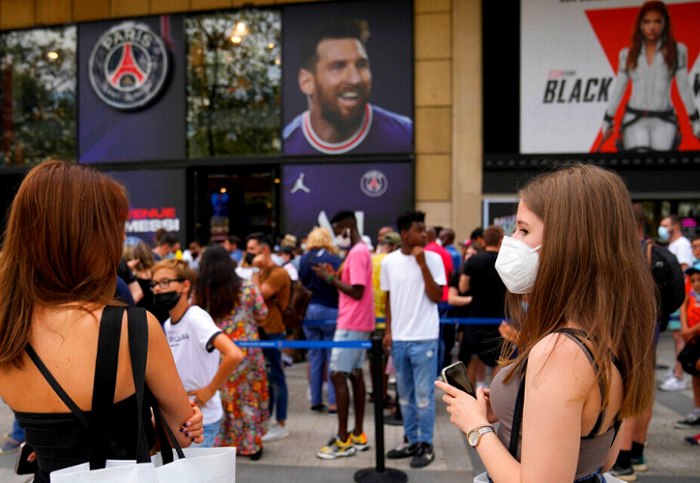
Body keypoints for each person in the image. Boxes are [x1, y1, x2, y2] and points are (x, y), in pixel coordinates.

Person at [435, 164, 657, 483]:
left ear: (569, 243)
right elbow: (600, 459)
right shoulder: (613, 332)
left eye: (524, 230)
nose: (512, 241)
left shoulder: (561, 351)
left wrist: (476, 426)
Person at [0, 161, 204, 483]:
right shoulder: (132, 328)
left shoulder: (8, 327)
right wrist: (175, 423)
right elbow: (180, 434)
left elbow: (50, 434)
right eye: (115, 225)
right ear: (86, 236)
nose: (122, 237)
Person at [283, 18, 412, 155]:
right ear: (306, 82)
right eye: (338, 67)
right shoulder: (287, 144)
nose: (355, 79)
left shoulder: (406, 136)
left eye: (361, 65)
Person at [154, 258, 243, 448]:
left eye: (164, 282)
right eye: (154, 284)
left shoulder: (195, 317)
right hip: (183, 417)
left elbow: (234, 354)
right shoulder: (169, 324)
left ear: (185, 285)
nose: (157, 289)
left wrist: (209, 390)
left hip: (203, 420)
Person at [381, 211, 446, 468]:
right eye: (419, 229)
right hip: (399, 339)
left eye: (425, 228)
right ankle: (410, 441)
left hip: (424, 338)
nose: (425, 233)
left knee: (423, 397)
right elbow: (387, 298)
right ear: (404, 233)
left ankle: (426, 445)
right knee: (404, 396)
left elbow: (437, 296)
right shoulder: (389, 261)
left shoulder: (433, 259)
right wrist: (388, 331)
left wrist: (422, 265)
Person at [196, 246, 271, 460]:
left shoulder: (201, 293)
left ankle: (225, 444)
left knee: (222, 396)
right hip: (247, 352)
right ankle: (251, 444)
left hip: (217, 351)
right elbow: (263, 314)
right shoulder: (247, 288)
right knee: (249, 397)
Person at [312, 211, 375, 459]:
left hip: (351, 322)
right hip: (359, 322)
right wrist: (335, 276)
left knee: (338, 374)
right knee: (355, 375)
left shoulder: (358, 252)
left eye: (338, 231)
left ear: (348, 227)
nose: (337, 236)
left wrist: (330, 278)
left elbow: (357, 291)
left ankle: (342, 440)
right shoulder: (359, 251)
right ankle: (357, 434)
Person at [602, 1, 700, 151]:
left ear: (665, 24)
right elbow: (619, 89)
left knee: (660, 168)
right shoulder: (627, 54)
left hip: (664, 120)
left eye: (657, 21)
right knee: (638, 165)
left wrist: (694, 119)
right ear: (640, 25)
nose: (652, 27)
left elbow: (684, 87)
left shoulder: (678, 51)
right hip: (634, 119)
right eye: (647, 22)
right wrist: (608, 119)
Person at [250, 234, 291, 442]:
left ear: (264, 251)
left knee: (277, 376)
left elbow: (257, 295)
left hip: (273, 329)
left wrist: (255, 272)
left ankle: (281, 422)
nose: (250, 255)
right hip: (262, 329)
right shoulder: (266, 271)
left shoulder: (278, 273)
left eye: (253, 251)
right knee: (267, 377)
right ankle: (269, 419)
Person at [299, 227, 343, 413]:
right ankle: (334, 402)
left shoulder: (304, 258)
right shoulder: (334, 259)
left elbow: (301, 281)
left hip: (310, 309)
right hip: (332, 309)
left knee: (315, 356)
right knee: (333, 357)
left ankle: (315, 400)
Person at [458, 226, 507, 387]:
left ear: (484, 240)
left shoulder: (474, 260)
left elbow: (463, 287)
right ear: (501, 241)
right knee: (499, 360)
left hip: (476, 316)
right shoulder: (506, 260)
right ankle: (494, 406)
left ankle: (470, 399)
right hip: (500, 317)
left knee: (472, 357)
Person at [659, 214, 693, 392]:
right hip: (675, 298)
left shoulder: (682, 245)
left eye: (665, 225)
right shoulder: (674, 244)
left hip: (680, 299)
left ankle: (679, 375)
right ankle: (676, 371)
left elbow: (685, 273)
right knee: (676, 336)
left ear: (676, 227)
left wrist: (681, 301)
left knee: (679, 337)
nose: (662, 229)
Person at [369, 231, 401, 406]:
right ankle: (381, 395)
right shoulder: (393, 262)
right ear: (396, 247)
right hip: (388, 319)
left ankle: (375, 392)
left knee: (373, 359)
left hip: (369, 318)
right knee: (383, 361)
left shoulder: (372, 259)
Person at [675, 266, 700, 430]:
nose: (696, 284)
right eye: (693, 281)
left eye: (699, 280)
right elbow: (684, 305)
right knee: (695, 374)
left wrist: (690, 331)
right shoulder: (692, 294)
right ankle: (697, 412)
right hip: (694, 339)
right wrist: (685, 329)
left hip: (695, 334)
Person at [132, 242, 170, 324]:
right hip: (160, 316)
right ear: (150, 254)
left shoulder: (132, 275)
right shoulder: (158, 272)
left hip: (141, 319)